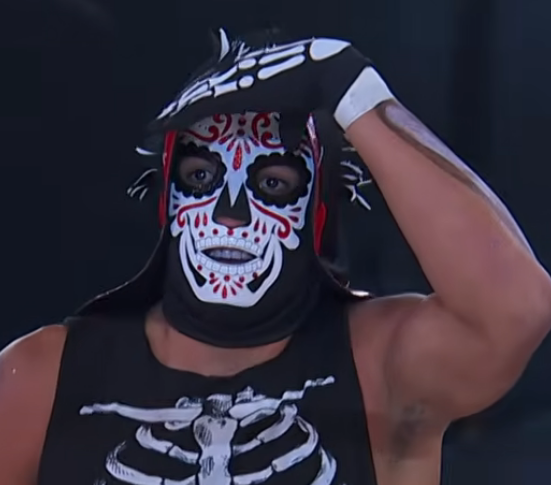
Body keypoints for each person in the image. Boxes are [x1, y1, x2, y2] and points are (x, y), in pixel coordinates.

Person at [1, 28, 550, 485]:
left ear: (317, 212)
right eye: (201, 177)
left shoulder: (382, 365)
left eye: (273, 183)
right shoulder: (44, 377)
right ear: (168, 200)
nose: (230, 214)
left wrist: (351, 89)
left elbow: (517, 309)